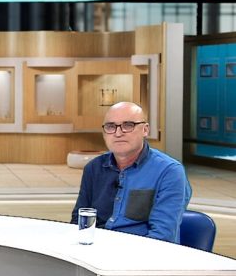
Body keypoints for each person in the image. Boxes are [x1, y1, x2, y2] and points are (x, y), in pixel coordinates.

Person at [71, 101, 192, 243]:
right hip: (96, 250)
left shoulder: (169, 172)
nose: (118, 133)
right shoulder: (93, 168)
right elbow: (78, 222)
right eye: (111, 126)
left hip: (143, 252)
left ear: (145, 130)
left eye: (128, 125)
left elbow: (162, 236)